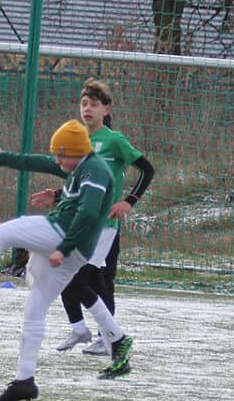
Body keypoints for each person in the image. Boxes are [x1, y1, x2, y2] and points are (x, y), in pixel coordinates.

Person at [0, 119, 134, 401]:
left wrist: (64, 246)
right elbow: (39, 162)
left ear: (76, 151)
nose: (57, 160)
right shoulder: (81, 163)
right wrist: (2, 157)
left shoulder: (96, 170)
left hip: (64, 234)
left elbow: (88, 213)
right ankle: (25, 381)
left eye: (61, 154)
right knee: (35, 307)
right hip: (74, 247)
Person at [46, 79, 155, 355]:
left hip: (103, 226)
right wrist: (57, 195)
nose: (87, 109)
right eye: (84, 104)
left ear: (106, 109)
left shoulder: (114, 140)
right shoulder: (77, 141)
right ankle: (86, 331)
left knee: (77, 277)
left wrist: (129, 201)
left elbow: (147, 170)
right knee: (88, 280)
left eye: (94, 104)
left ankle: (106, 336)